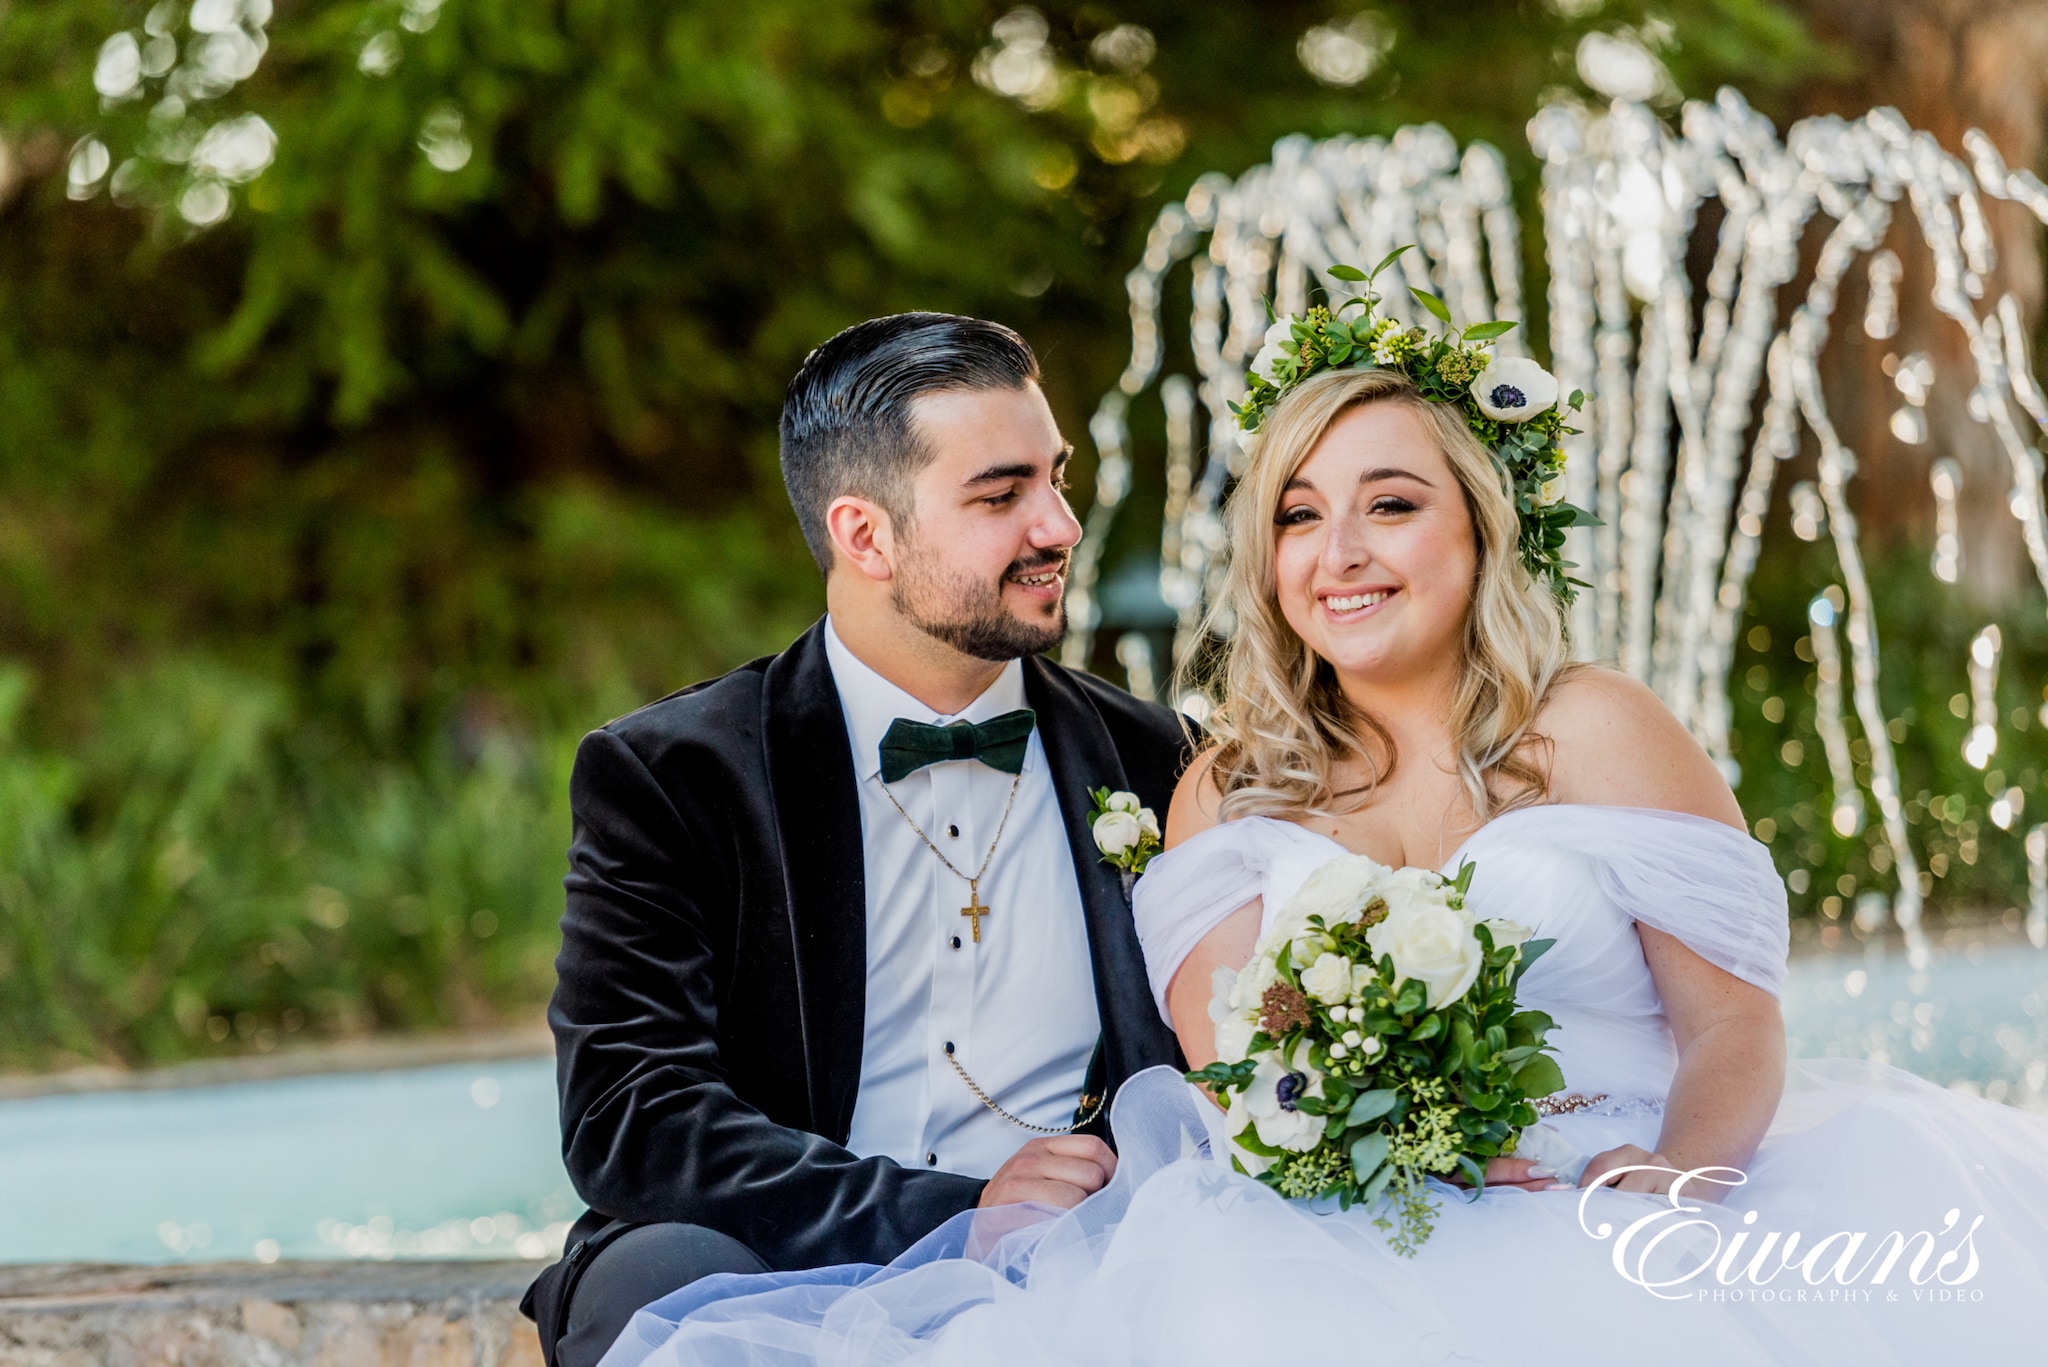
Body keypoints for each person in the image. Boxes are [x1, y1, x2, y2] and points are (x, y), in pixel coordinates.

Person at [597, 358, 2048, 1367]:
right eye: (1298, 512)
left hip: (1630, 1193)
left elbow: (1733, 1017)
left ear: (1479, 522)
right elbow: (1238, 1075)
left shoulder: (1598, 728)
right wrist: (1368, 1128)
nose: (1339, 550)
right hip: (1338, 1220)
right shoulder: (1224, 781)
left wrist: (1677, 1176)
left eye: (1392, 503)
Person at [520, 312, 1193, 1367]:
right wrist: (951, 1213)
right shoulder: (675, 773)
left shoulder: (1159, 758)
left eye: (1055, 478)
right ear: (864, 534)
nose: (1059, 525)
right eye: (1000, 493)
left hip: (1086, 1250)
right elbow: (629, 1110)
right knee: (656, 1285)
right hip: (784, 1255)